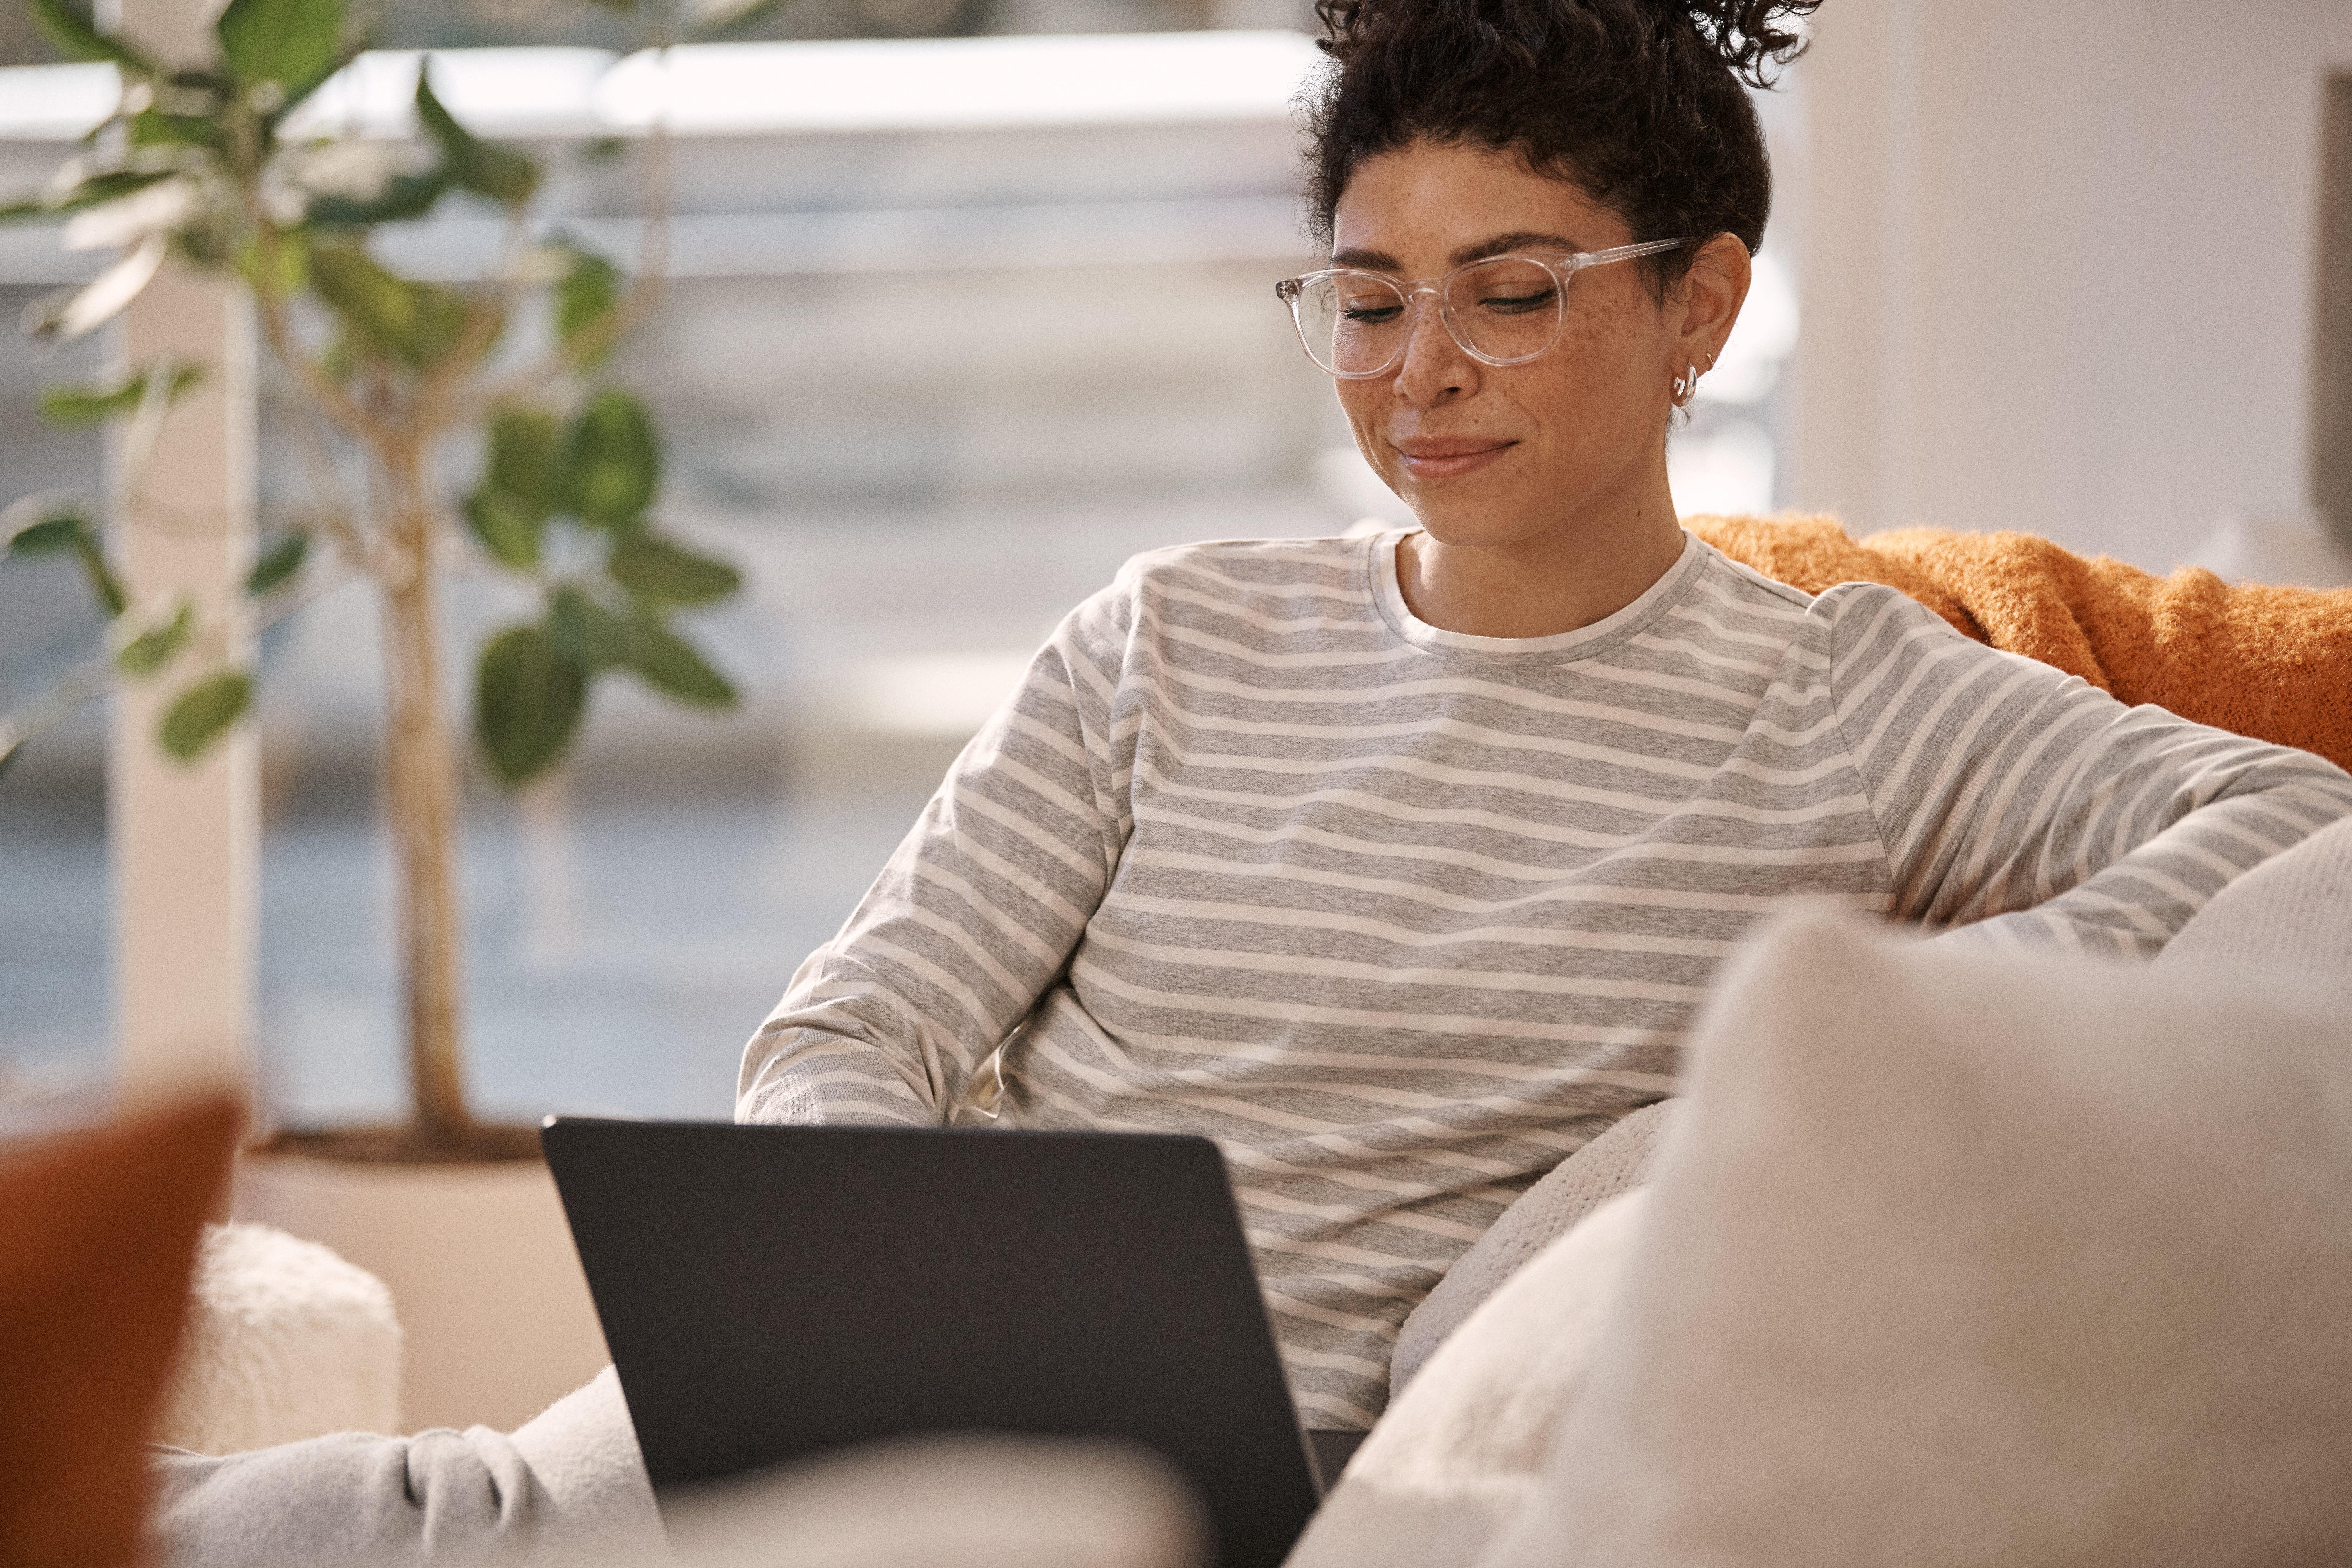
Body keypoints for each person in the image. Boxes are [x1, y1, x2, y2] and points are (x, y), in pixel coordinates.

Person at [736, 0, 2352, 1437]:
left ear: (1700, 313)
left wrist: (1856, 1030)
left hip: (1325, 1485)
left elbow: (2301, 831)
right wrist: (899, 1293)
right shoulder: (1168, 634)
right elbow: (848, 1033)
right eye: (1370, 306)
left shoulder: (1848, 698)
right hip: (940, 1409)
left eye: (1508, 293)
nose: (1420, 374)